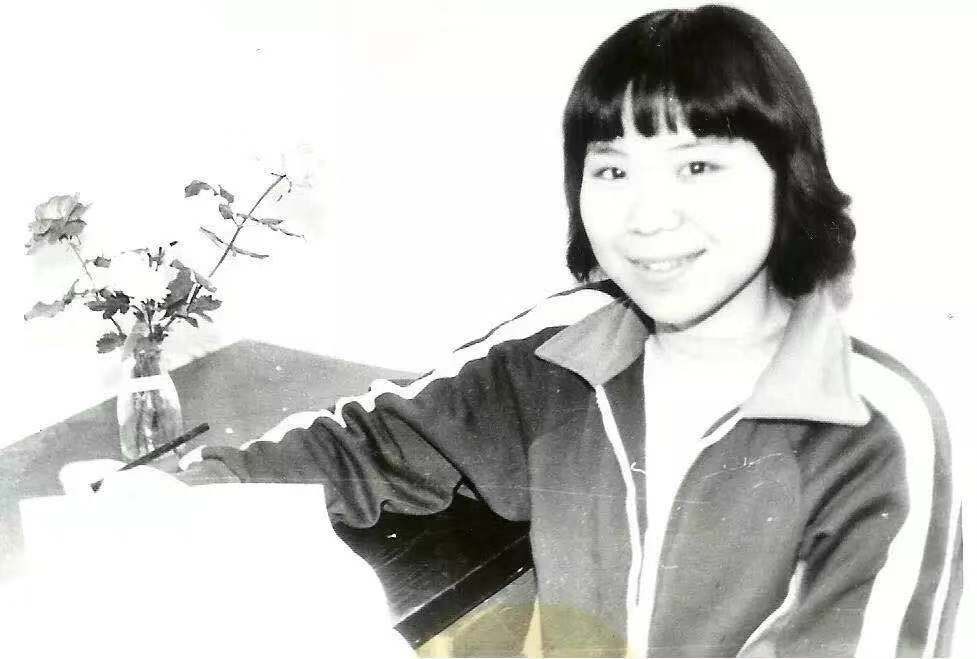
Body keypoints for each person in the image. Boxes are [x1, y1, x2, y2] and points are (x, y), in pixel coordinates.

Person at [108, 5, 960, 657]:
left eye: (697, 165)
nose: (646, 215)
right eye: (611, 170)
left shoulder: (872, 429)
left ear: (787, 175)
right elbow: (358, 445)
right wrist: (182, 493)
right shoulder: (565, 348)